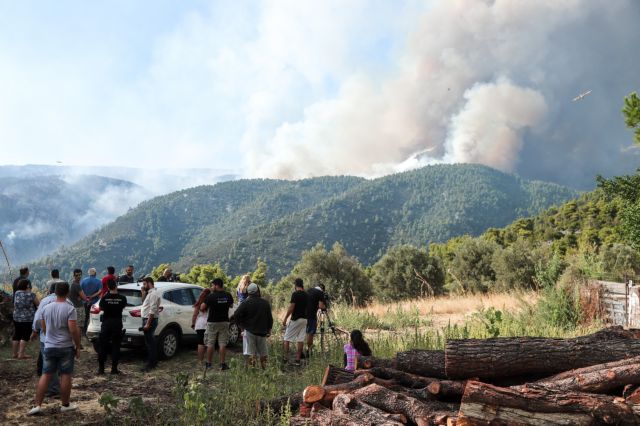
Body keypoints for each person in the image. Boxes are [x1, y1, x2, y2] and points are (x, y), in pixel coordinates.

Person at [28, 282, 81, 415]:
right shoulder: (70, 308)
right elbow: (73, 329)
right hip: (65, 346)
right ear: (67, 292)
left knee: (46, 374)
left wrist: (50, 337)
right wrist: (77, 345)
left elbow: (44, 328)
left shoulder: (46, 307)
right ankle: (65, 405)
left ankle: (38, 405)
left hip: (49, 345)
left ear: (54, 292)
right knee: (65, 375)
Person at [32, 284, 71, 397]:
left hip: (47, 339)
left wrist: (35, 330)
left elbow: (38, 319)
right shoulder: (69, 303)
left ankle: (53, 389)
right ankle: (63, 396)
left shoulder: (45, 301)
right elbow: (72, 325)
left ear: (51, 290)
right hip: (64, 340)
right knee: (64, 368)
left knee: (49, 367)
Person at [233, 283, 273, 369]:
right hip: (262, 332)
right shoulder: (265, 303)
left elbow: (236, 315)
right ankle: (264, 369)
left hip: (249, 331)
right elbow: (270, 318)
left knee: (251, 353)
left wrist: (242, 327)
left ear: (248, 292)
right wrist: (269, 329)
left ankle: (252, 370)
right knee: (263, 353)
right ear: (258, 291)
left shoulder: (245, 303)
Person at [201, 278, 234, 371]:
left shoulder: (211, 296)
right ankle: (222, 364)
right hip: (224, 321)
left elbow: (202, 307)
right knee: (222, 343)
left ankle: (208, 364)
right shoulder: (228, 295)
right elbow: (231, 305)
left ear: (216, 285)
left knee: (210, 343)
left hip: (212, 322)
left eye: (212, 285)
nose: (211, 287)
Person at [98, 279, 127, 374]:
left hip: (106, 323)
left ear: (108, 287)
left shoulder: (104, 298)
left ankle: (101, 369)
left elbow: (101, 308)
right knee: (116, 345)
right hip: (117, 323)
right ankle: (114, 369)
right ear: (116, 286)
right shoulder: (122, 298)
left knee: (103, 346)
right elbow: (123, 307)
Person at [282, 278, 308, 366]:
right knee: (300, 339)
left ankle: (286, 358)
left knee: (286, 338)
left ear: (295, 285)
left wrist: (285, 318)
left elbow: (292, 307)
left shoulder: (295, 294)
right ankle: (297, 359)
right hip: (305, 319)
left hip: (296, 319)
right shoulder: (306, 295)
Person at [12, 279, 39, 359]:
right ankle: (21, 354)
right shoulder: (31, 295)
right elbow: (38, 304)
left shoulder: (16, 293)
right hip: (28, 318)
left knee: (16, 334)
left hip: (16, 317)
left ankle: (14, 354)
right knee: (25, 335)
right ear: (27, 286)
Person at [140, 276, 161, 372]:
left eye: (144, 284)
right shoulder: (149, 293)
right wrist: (143, 293)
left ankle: (151, 363)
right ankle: (152, 361)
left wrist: (148, 323)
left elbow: (152, 310)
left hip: (150, 320)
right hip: (147, 319)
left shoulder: (153, 294)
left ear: (149, 283)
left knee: (150, 342)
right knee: (149, 342)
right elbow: (143, 302)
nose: (143, 286)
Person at [191, 288, 211, 364]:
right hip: (208, 323)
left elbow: (194, 315)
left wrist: (193, 323)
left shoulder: (199, 303)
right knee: (209, 342)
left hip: (200, 323)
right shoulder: (210, 302)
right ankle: (208, 359)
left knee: (200, 342)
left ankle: (200, 360)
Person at [306, 283, 327, 356]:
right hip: (311, 315)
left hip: (303, 314)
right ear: (323, 289)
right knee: (310, 333)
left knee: (305, 332)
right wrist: (325, 307)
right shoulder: (320, 292)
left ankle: (302, 351)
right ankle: (309, 351)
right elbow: (321, 306)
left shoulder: (309, 290)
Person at [80, 268, 102, 335]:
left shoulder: (83, 281)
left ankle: (84, 332)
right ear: (95, 273)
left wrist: (87, 298)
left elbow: (80, 291)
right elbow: (100, 291)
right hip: (95, 302)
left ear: (88, 273)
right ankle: (93, 331)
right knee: (94, 317)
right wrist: (92, 296)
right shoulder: (98, 281)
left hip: (85, 301)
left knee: (85, 317)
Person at [68, 269, 89, 336]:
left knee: (76, 326)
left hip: (73, 307)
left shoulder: (72, 284)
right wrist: (85, 298)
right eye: (77, 275)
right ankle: (78, 344)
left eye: (80, 275)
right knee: (79, 326)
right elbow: (84, 298)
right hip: (78, 308)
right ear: (74, 276)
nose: (79, 276)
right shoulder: (77, 285)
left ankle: (77, 343)